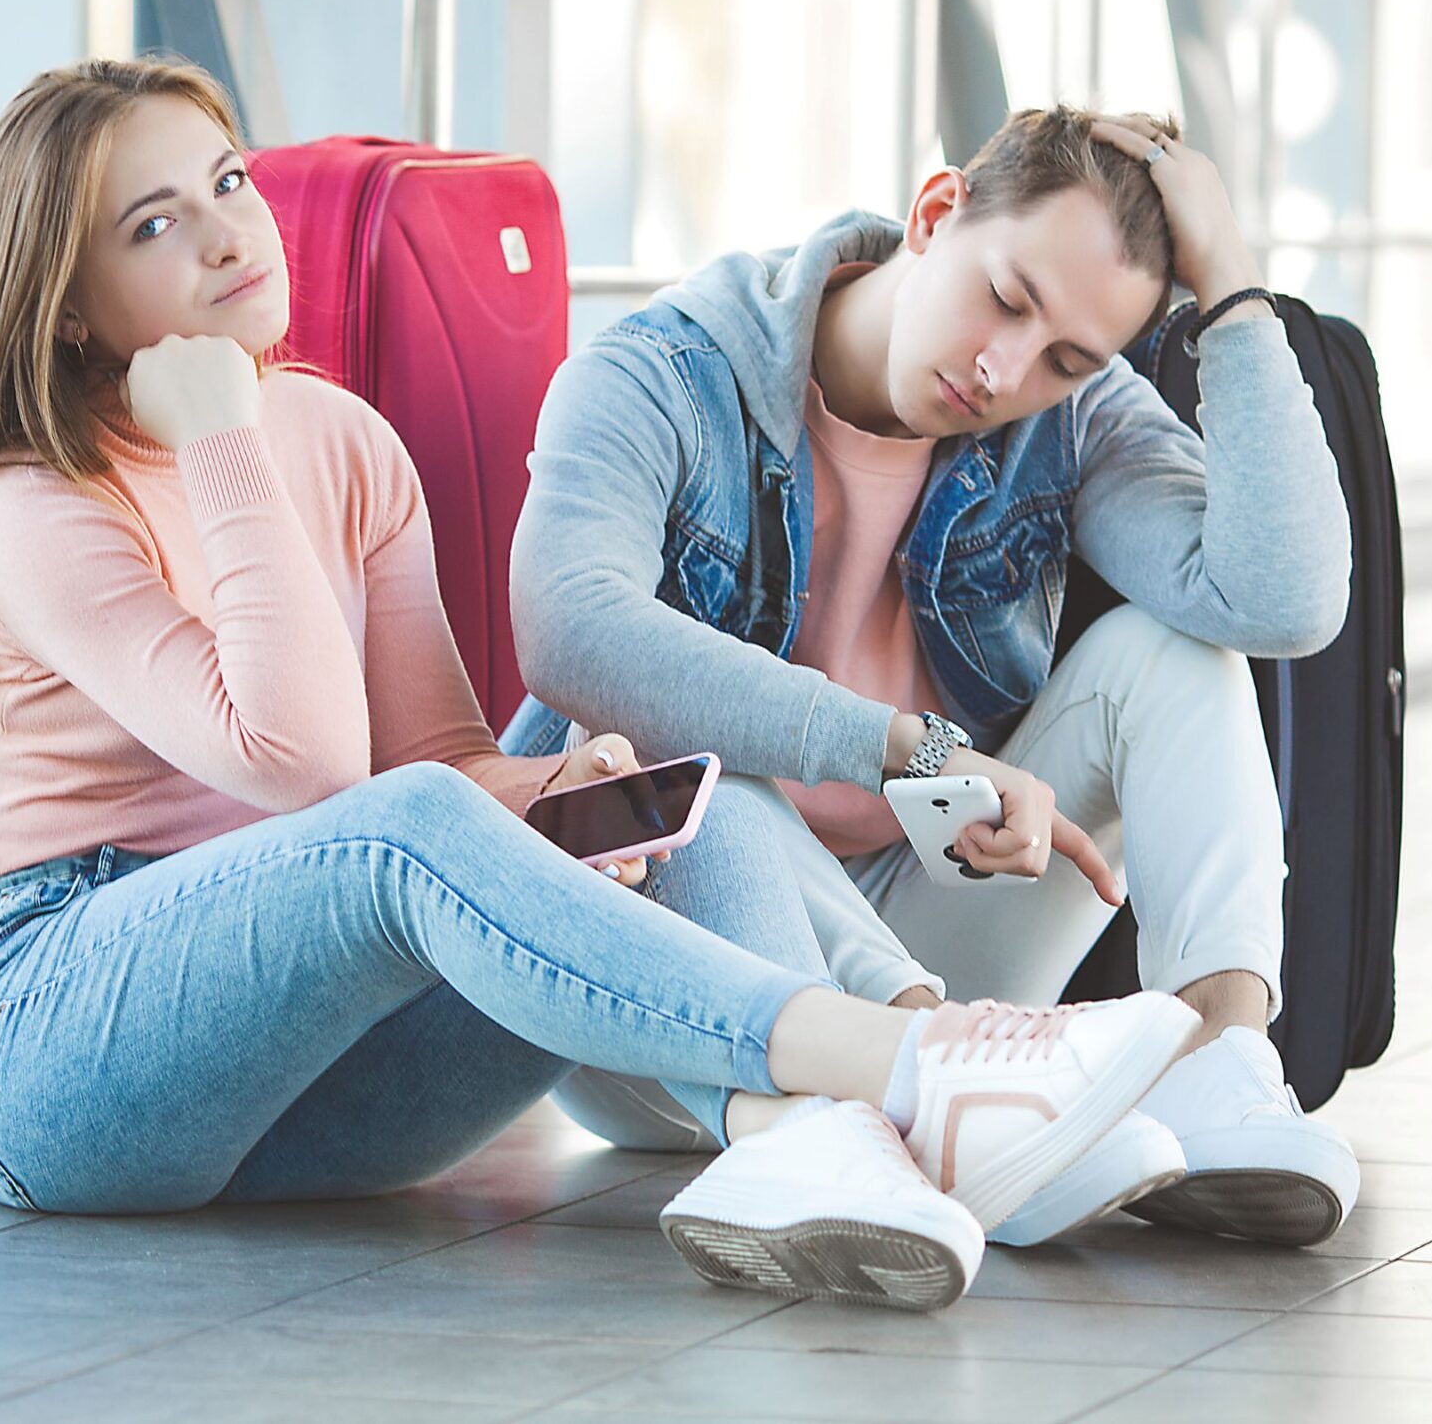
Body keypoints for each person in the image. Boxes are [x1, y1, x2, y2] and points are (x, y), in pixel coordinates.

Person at [0, 57, 1205, 1314]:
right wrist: (221, 435)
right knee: (403, 830)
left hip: (310, 1078)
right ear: (70, 301)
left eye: (229, 179)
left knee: (656, 768)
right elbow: (306, 761)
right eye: (155, 222)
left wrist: (559, 786)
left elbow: (441, 757)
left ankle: (822, 1135)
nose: (224, 232)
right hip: (47, 1041)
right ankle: (928, 1065)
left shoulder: (346, 442)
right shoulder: (30, 506)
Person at [506, 105, 1362, 1246]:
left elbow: (1280, 602)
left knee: (1173, 650)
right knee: (688, 742)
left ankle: (1210, 1063)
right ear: (935, 210)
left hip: (919, 964)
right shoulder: (664, 371)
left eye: (1066, 356)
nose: (1004, 369)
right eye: (1006, 298)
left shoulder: (1069, 418)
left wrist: (1235, 291)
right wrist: (915, 751)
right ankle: (945, 1108)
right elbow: (569, 631)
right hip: (675, 990)